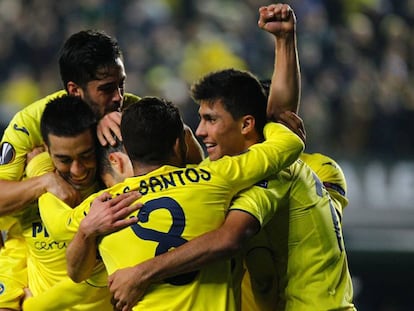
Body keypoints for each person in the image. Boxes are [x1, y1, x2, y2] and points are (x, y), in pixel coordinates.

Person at [100, 4, 355, 311]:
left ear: (248, 124)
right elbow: (175, 144)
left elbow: (228, 239)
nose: (201, 131)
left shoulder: (273, 171)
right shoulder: (226, 172)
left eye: (211, 120)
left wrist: (140, 274)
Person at [60, 94, 303, 311]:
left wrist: (85, 231)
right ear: (179, 143)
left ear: (128, 151)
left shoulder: (105, 207)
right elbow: (290, 144)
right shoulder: (216, 177)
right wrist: (270, 121)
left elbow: (76, 272)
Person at [0, 29, 140, 310]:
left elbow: (187, 156)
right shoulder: (29, 124)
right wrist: (44, 182)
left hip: (102, 270)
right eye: (107, 88)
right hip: (34, 255)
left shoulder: (132, 111)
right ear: (75, 91)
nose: (119, 97)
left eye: (121, 85)